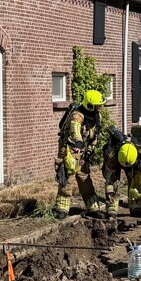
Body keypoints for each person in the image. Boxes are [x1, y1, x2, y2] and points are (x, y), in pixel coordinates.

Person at [55, 89, 105, 219]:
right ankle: (62, 209)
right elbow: (75, 130)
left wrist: (89, 152)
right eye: (98, 105)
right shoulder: (77, 116)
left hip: (83, 150)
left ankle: (93, 208)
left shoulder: (96, 116)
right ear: (90, 105)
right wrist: (78, 143)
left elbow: (95, 137)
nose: (100, 107)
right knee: (68, 178)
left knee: (84, 177)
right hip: (70, 148)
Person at [103, 134, 141, 218]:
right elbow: (110, 177)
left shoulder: (140, 150)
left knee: (135, 181)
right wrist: (109, 191)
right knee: (113, 182)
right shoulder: (111, 154)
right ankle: (112, 207)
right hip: (116, 160)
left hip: (133, 163)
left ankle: (135, 207)